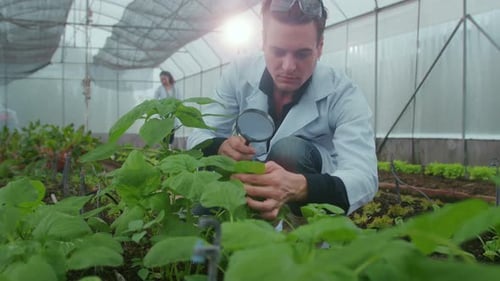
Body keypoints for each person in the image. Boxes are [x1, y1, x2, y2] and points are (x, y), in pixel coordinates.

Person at [187, 0, 378, 220]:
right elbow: (201, 134)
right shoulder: (239, 73)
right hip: (243, 181)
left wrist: (302, 187)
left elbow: (364, 176)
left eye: (302, 54)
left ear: (320, 47)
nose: (288, 67)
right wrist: (221, 147)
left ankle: (302, 239)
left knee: (290, 151)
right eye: (278, 51)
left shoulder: (342, 93)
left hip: (306, 198)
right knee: (200, 230)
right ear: (263, 41)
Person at [155, 70, 180, 145]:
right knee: (164, 131)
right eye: (161, 79)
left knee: (171, 131)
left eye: (164, 79)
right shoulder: (160, 89)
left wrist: (177, 107)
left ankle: (169, 147)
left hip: (173, 113)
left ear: (169, 77)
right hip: (164, 113)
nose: (163, 81)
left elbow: (179, 99)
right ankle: (164, 147)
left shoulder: (175, 88)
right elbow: (155, 99)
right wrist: (159, 107)